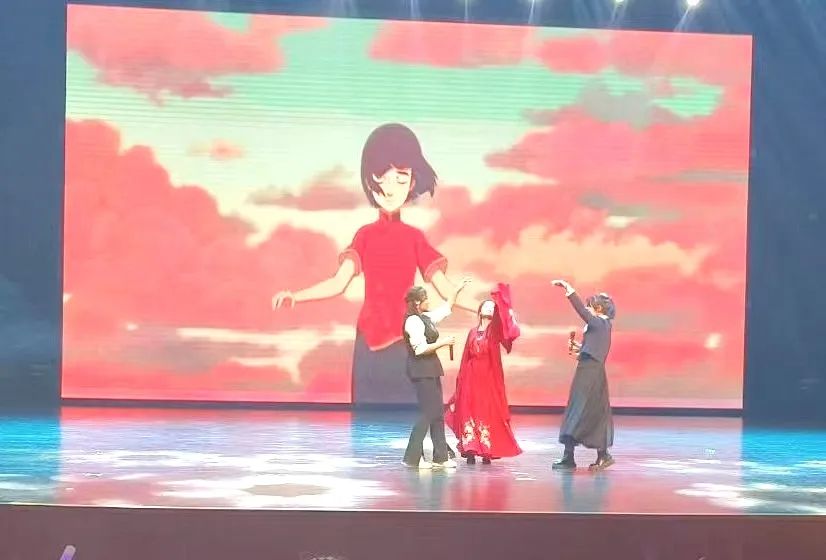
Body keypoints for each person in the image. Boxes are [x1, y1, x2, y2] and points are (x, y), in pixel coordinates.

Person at [273, 123, 476, 405]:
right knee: (368, 418)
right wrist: (296, 296)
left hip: (408, 341)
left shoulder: (414, 238)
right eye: (382, 176)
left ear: (412, 183)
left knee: (410, 417)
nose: (390, 187)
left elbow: (446, 289)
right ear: (370, 180)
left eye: (401, 178)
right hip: (369, 343)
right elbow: (338, 283)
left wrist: (486, 308)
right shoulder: (365, 236)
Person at [445, 284, 522, 465]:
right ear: (479, 311)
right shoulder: (472, 332)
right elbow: (466, 357)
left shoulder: (494, 331)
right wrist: (460, 381)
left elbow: (506, 328)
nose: (489, 308)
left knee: (485, 412)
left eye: (492, 307)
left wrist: (500, 300)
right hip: (470, 377)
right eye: (486, 306)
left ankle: (487, 450)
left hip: (487, 378)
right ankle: (470, 449)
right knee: (468, 411)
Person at [402, 280, 470, 469]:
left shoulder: (425, 317)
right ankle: (413, 457)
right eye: (426, 299)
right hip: (421, 370)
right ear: (417, 302)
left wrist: (456, 290)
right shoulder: (412, 321)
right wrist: (443, 342)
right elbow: (420, 349)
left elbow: (446, 309)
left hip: (431, 369)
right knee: (428, 413)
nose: (429, 301)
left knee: (437, 413)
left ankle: (441, 457)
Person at [550, 279, 616, 471]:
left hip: (591, 374)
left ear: (598, 308)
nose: (587, 309)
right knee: (577, 410)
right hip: (587, 371)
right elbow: (593, 349)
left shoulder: (601, 323)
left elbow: (582, 312)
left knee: (587, 411)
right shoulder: (600, 326)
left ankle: (602, 455)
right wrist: (580, 348)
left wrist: (569, 290)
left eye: (590, 306)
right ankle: (570, 456)